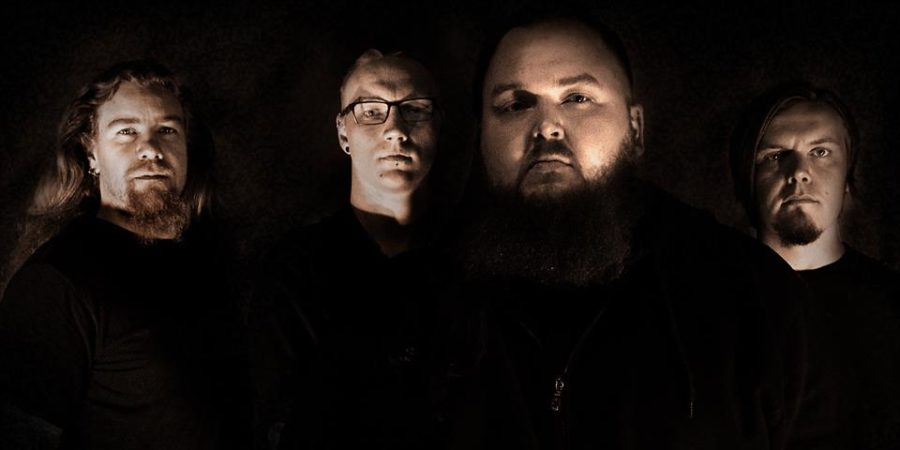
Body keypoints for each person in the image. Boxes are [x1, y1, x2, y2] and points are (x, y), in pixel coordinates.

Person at [450, 12, 811, 449]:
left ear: (635, 129)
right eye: (515, 104)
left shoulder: (750, 294)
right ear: (481, 137)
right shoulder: (424, 302)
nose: (546, 126)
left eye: (577, 98)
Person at [0, 60, 248, 450]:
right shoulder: (57, 280)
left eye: (167, 130)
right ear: (91, 152)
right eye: (126, 131)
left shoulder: (217, 261)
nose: (151, 149)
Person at [249, 49, 454, 450]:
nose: (395, 129)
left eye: (414, 109)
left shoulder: (477, 264)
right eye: (371, 111)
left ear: (438, 126)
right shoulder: (292, 271)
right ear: (344, 133)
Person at [730, 82, 900, 448]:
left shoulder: (893, 305)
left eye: (820, 152)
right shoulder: (705, 305)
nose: (799, 172)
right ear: (748, 179)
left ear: (848, 177)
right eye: (775, 155)